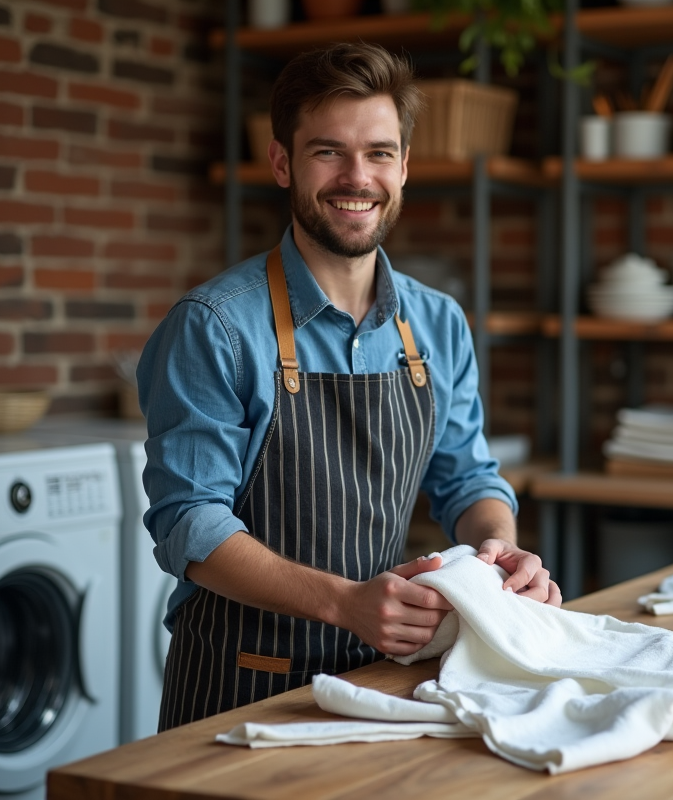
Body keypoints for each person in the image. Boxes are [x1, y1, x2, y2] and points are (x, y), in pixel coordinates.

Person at [137, 42, 560, 732]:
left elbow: (468, 479)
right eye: (328, 152)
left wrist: (500, 552)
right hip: (241, 684)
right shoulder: (213, 326)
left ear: (405, 167)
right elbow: (192, 525)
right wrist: (345, 601)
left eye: (380, 153)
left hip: (381, 679)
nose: (356, 178)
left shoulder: (437, 323)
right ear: (282, 163)